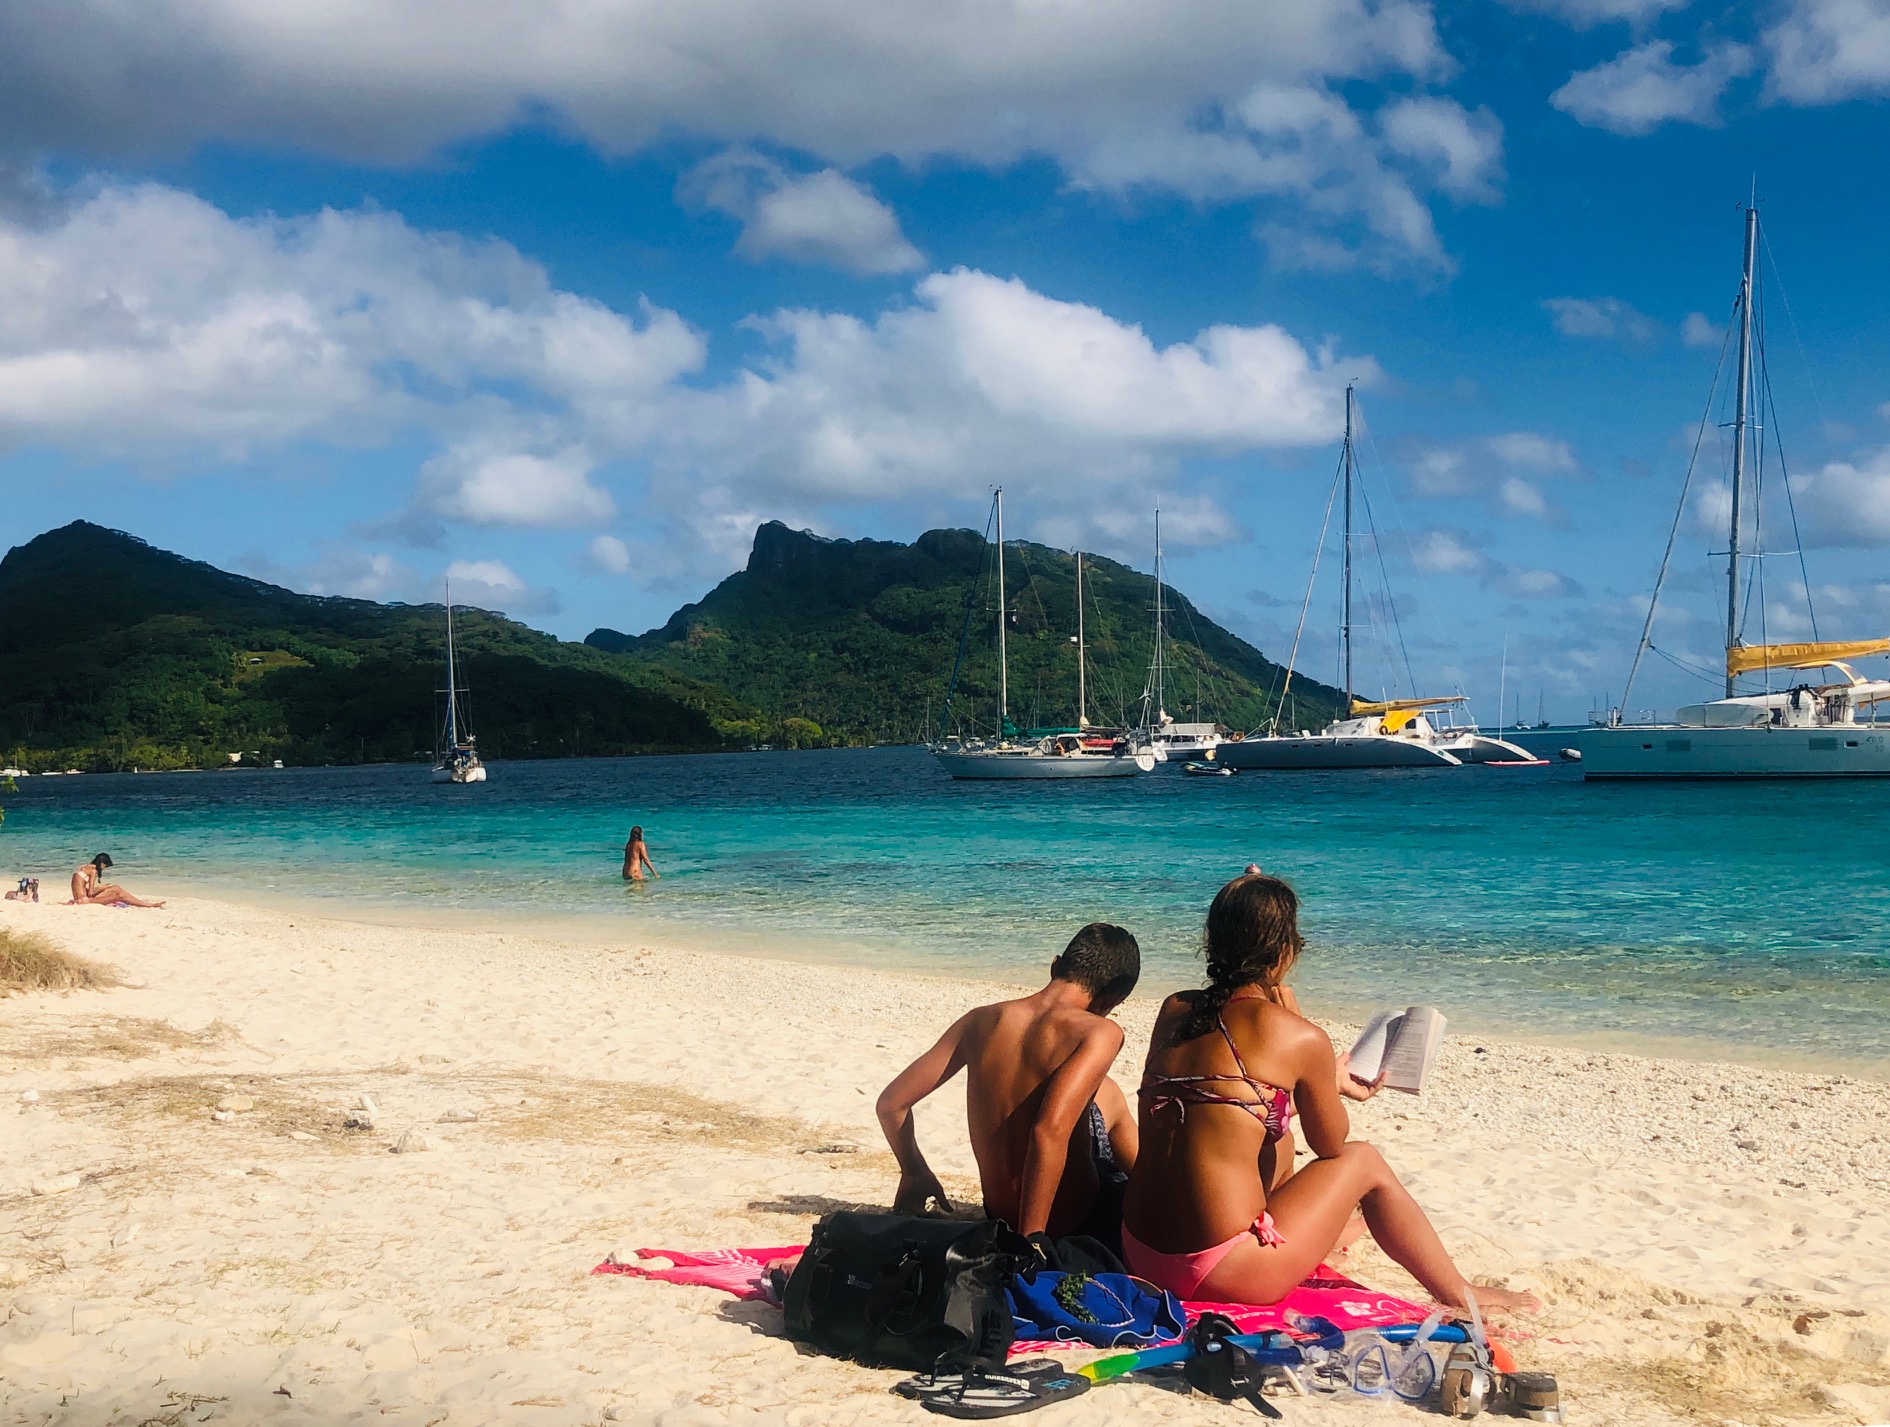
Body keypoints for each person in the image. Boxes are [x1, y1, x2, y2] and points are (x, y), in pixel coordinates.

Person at [1120, 872, 1538, 1314]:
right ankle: (1461, 1294)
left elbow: (1228, 1102)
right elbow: (1332, 1145)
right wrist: (1327, 1082)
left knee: (1275, 1136)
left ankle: (1318, 1235)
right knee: (1364, 1160)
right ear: (1284, 952)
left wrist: (1324, 1078)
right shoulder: (1298, 1037)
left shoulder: (1174, 1009)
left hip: (1140, 1252)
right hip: (1217, 1272)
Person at [876, 923, 1141, 1249]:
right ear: (1113, 999)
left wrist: (915, 1171)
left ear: (1055, 965)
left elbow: (890, 1104)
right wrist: (1030, 1241)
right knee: (1110, 1098)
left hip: (998, 1213)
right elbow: (1047, 1132)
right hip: (1072, 1221)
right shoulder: (1101, 1032)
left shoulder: (979, 1020)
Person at [69, 854, 165, 908]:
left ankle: (144, 903)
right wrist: (103, 887)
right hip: (85, 901)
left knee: (115, 888)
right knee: (119, 895)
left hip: (80, 899)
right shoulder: (93, 871)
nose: (103, 869)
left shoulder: (83, 867)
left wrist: (101, 888)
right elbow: (90, 893)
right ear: (102, 863)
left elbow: (80, 887)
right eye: (105, 866)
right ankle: (149, 905)